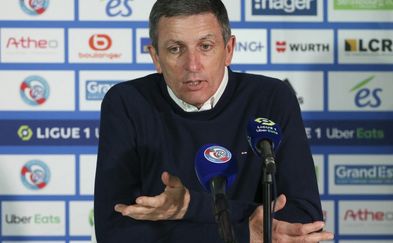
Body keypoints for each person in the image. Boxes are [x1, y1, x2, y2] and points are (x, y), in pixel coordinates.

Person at [94, 0, 334, 242]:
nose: (192, 65)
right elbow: (115, 231)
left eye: (205, 46)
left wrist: (189, 207)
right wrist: (244, 232)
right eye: (176, 49)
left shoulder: (271, 98)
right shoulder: (127, 102)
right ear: (156, 57)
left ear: (229, 50)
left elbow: (304, 219)